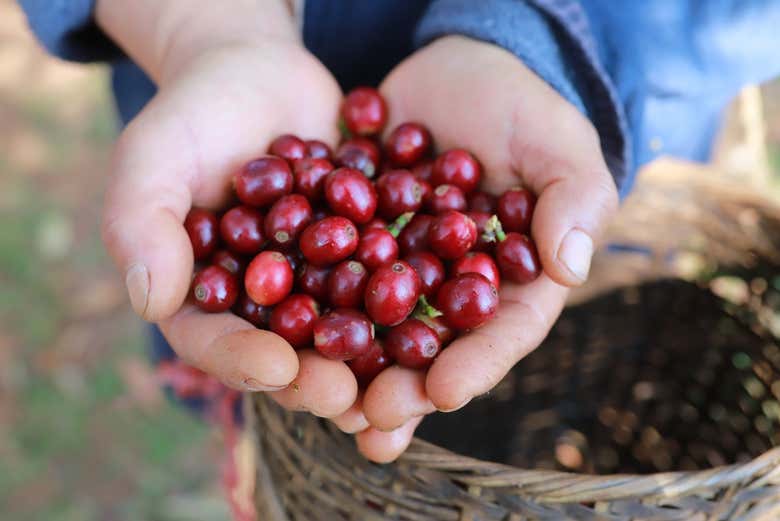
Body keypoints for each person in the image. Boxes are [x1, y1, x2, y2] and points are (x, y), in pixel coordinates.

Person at [18, 0, 780, 463]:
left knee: (593, 376)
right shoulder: (338, 246)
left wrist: (548, 38)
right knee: (291, 409)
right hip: (219, 60)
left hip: (583, 96)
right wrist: (201, 26)